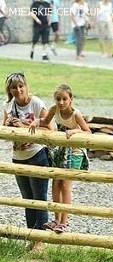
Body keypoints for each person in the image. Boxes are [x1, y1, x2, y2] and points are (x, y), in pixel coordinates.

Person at [29, 83, 91, 234]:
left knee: (65, 185)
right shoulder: (54, 109)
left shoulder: (76, 114)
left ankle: (64, 222)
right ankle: (56, 219)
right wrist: (38, 121)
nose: (61, 102)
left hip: (74, 152)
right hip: (60, 150)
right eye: (58, 99)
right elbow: (45, 121)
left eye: (64, 99)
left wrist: (75, 131)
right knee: (56, 184)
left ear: (71, 99)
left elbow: (88, 131)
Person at [3, 72, 53, 252]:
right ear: (9, 89)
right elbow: (4, 129)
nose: (18, 90)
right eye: (13, 87)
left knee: (39, 199)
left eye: (20, 86)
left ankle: (41, 241)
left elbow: (50, 128)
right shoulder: (7, 105)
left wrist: (23, 127)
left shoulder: (36, 103)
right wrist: (9, 125)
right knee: (27, 200)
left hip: (37, 155)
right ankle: (31, 237)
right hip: (18, 157)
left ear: (26, 86)